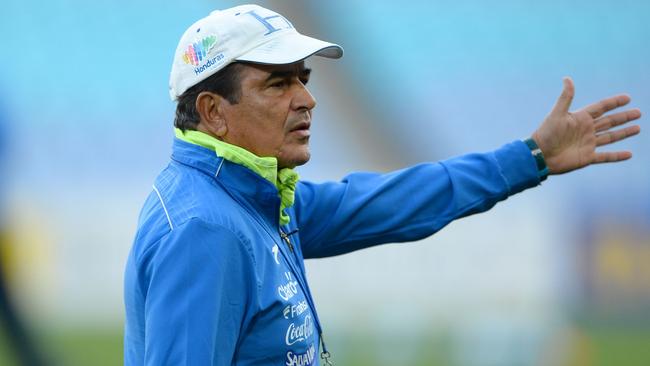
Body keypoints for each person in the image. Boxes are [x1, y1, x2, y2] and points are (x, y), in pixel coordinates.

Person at [123, 4, 641, 366]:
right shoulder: (205, 231)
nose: (306, 99)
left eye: (303, 78)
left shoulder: (252, 201)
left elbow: (390, 202)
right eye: (278, 83)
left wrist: (529, 158)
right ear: (214, 112)